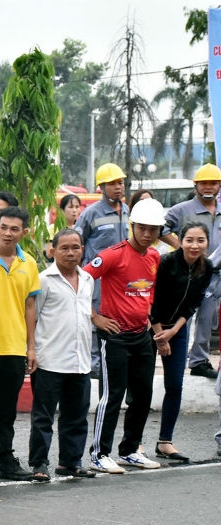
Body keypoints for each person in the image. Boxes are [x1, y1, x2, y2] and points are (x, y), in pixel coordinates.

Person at [84, 198, 165, 473]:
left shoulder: (154, 257)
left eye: (153, 230)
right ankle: (99, 454)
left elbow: (149, 294)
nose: (147, 234)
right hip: (114, 337)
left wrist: (153, 327)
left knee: (142, 395)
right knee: (112, 395)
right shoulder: (112, 255)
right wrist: (95, 317)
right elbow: (81, 281)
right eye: (142, 228)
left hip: (141, 335)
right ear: (132, 226)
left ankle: (130, 450)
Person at [27, 229, 97, 480]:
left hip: (80, 361)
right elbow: (32, 316)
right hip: (50, 360)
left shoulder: (88, 279)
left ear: (82, 250)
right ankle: (38, 464)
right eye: (64, 248)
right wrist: (31, 350)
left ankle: (70, 461)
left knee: (76, 416)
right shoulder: (44, 279)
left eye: (75, 247)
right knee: (43, 417)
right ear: (53, 251)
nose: (70, 253)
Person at [0, 206, 40, 480]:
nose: (7, 233)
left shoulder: (29, 263)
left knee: (6, 410)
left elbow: (30, 306)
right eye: (3, 227)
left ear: (24, 232)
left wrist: (30, 347)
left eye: (15, 229)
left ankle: (4, 458)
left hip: (15, 348)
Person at [150, 222, 214, 462]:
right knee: (141, 387)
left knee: (175, 385)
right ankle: (134, 444)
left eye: (200, 240)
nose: (194, 245)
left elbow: (192, 304)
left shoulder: (206, 267)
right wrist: (159, 335)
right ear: (181, 240)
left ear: (207, 242)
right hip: (150, 328)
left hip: (176, 330)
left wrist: (173, 331)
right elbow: (152, 300)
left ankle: (165, 441)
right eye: (189, 240)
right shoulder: (167, 262)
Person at [164, 163, 221, 379]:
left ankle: (198, 361)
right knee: (182, 315)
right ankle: (175, 357)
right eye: (204, 183)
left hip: (214, 275)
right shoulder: (182, 209)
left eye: (213, 183)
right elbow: (161, 228)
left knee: (207, 317)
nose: (208, 187)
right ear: (195, 185)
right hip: (186, 273)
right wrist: (183, 249)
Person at [78, 163, 131, 375]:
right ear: (101, 187)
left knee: (116, 317)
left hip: (120, 277)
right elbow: (77, 242)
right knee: (94, 317)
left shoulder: (126, 210)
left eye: (120, 182)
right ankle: (94, 366)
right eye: (112, 183)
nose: (118, 187)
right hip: (96, 277)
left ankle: (111, 363)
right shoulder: (90, 214)